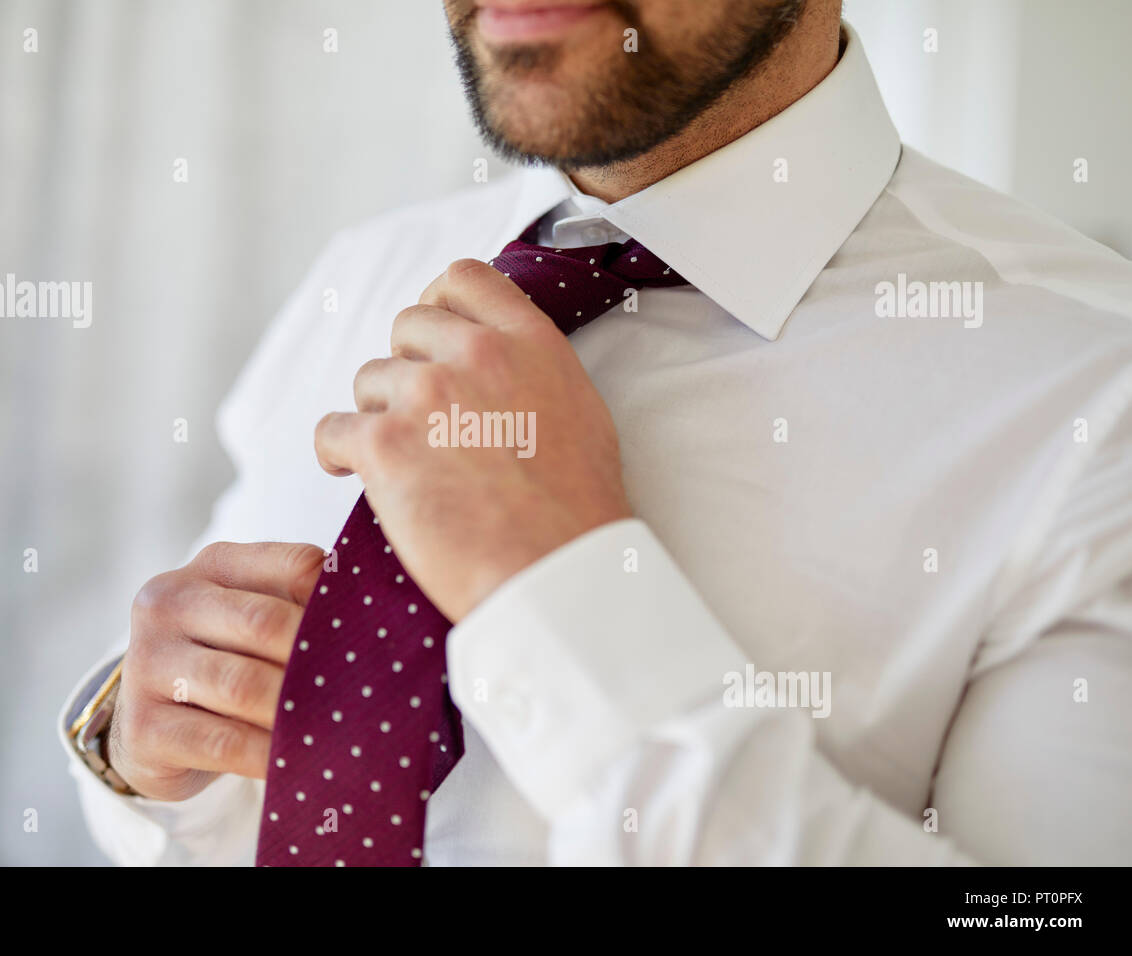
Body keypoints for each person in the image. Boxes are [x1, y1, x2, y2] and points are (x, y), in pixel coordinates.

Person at [59, 0, 1132, 865]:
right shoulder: (361, 271)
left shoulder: (1095, 398)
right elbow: (244, 790)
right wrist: (150, 764)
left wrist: (557, 585)